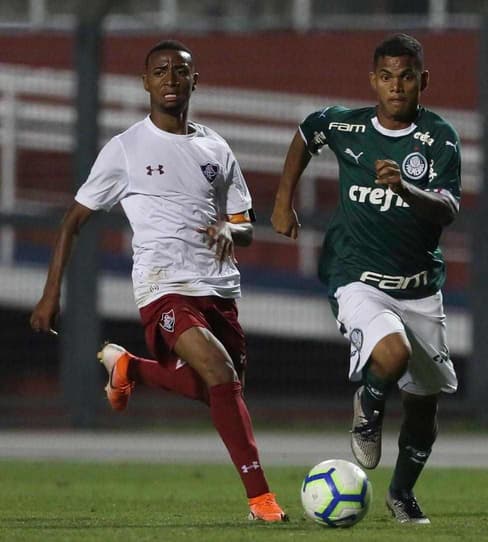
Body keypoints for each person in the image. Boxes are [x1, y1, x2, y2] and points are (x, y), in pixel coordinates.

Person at [30, 39, 287, 523]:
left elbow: (246, 225)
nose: (171, 79)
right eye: (161, 71)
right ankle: (261, 500)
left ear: (195, 81)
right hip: (163, 283)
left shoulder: (216, 146)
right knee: (220, 373)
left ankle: (131, 367)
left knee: (219, 385)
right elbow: (72, 220)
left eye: (180, 71)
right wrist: (50, 293)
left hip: (219, 286)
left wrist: (231, 229)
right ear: (146, 82)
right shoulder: (126, 148)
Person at [271, 33, 460, 524]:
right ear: (373, 80)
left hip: (419, 288)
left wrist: (406, 186)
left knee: (423, 405)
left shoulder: (439, 139)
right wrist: (282, 197)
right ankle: (369, 406)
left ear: (423, 80)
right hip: (357, 276)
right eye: (387, 76)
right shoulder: (346, 125)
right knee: (391, 353)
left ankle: (401, 494)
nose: (396, 86)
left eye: (407, 76)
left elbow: (447, 208)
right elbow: (307, 131)